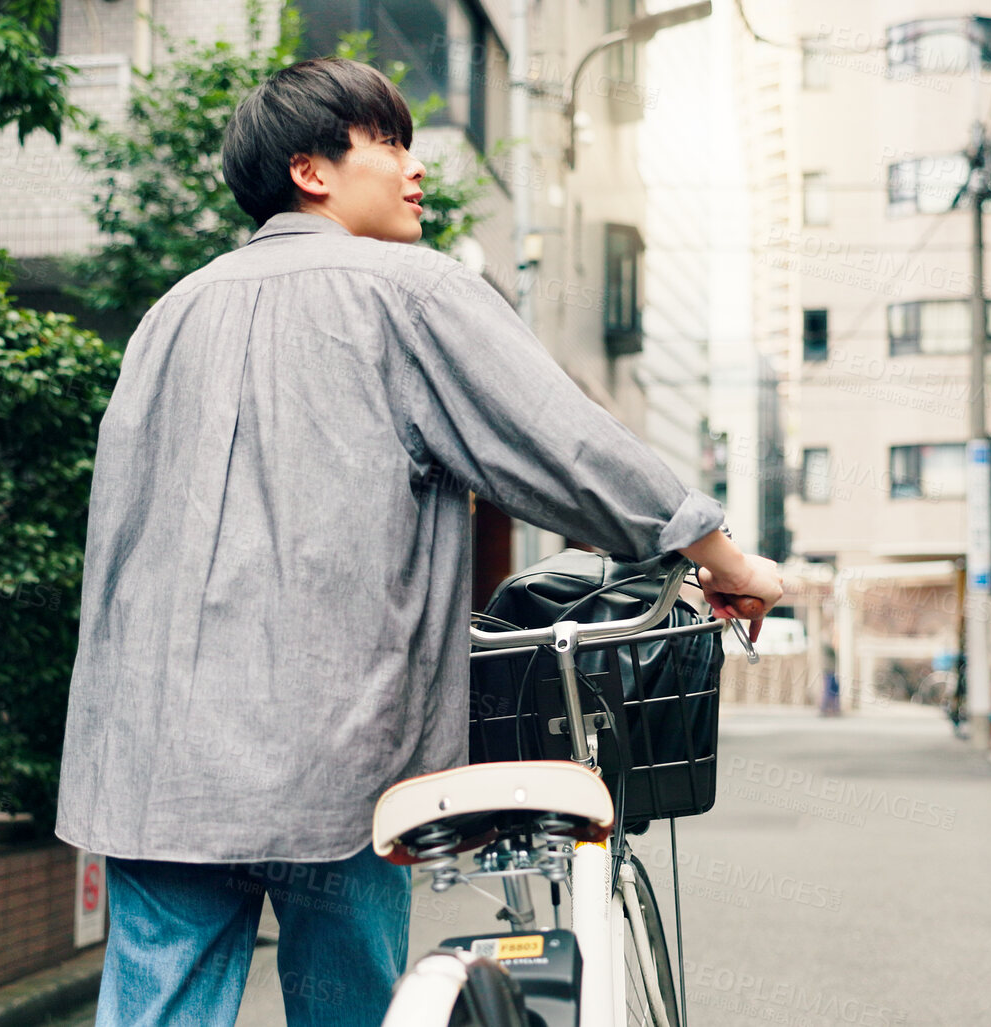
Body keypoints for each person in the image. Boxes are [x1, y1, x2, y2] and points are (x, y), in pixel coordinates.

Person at [54, 57, 785, 1027]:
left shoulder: (168, 315)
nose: (416, 166)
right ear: (312, 171)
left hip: (153, 761)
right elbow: (564, 446)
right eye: (389, 142)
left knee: (157, 1012)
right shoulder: (406, 290)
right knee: (352, 1008)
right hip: (329, 750)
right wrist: (722, 556)